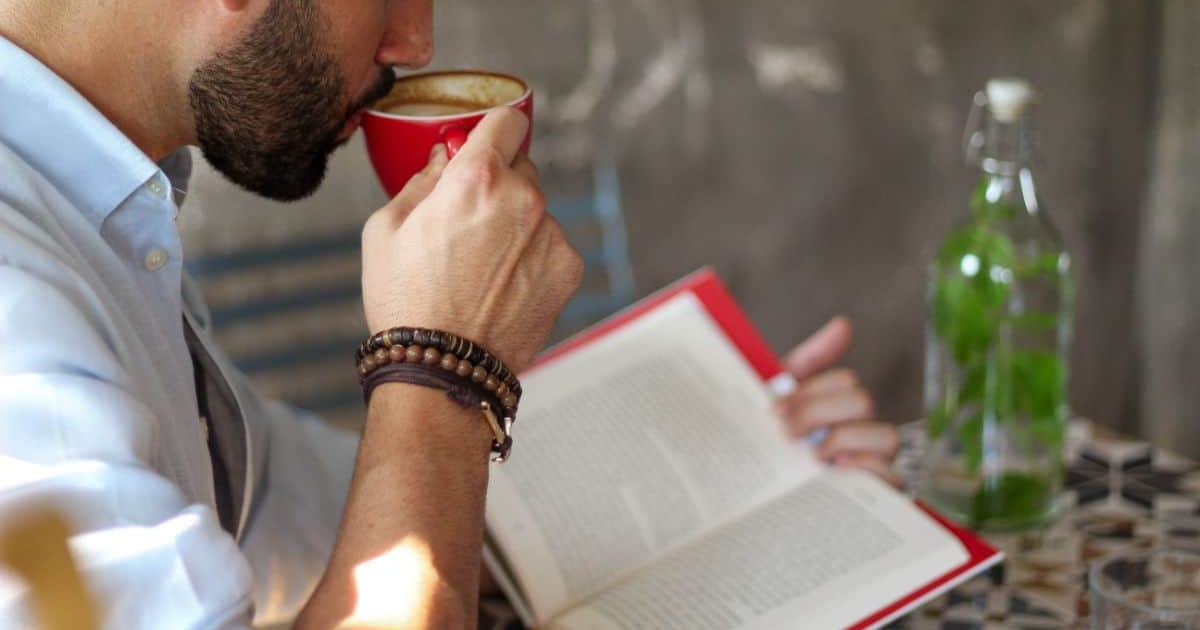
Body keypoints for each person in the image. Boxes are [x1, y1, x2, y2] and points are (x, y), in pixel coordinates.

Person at [0, 0, 900, 627]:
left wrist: (729, 465)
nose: (414, 39)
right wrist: (439, 367)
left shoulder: (96, 212)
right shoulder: (17, 302)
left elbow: (285, 512)